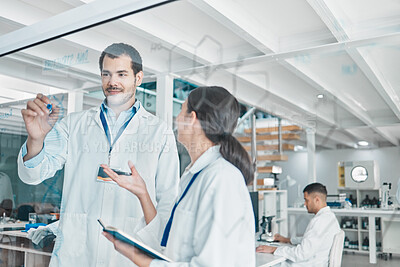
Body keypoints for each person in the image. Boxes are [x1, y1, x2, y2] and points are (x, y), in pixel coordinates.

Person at [17, 43, 180, 266]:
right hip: (76, 255)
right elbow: (32, 175)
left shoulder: (159, 132)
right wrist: (35, 139)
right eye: (106, 74)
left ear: (138, 78)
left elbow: (168, 204)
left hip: (128, 257)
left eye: (122, 74)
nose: (113, 82)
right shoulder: (74, 125)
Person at [102, 86, 256, 266]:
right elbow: (166, 242)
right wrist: (143, 193)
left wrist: (141, 259)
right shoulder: (194, 175)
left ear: (191, 119)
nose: (176, 120)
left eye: (181, 111)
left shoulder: (222, 178)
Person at [256, 182, 340, 266]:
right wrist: (287, 240)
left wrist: (273, 249)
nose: (305, 204)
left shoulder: (319, 221)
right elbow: (310, 241)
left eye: (306, 200)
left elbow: (301, 254)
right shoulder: (330, 217)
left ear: (317, 199)